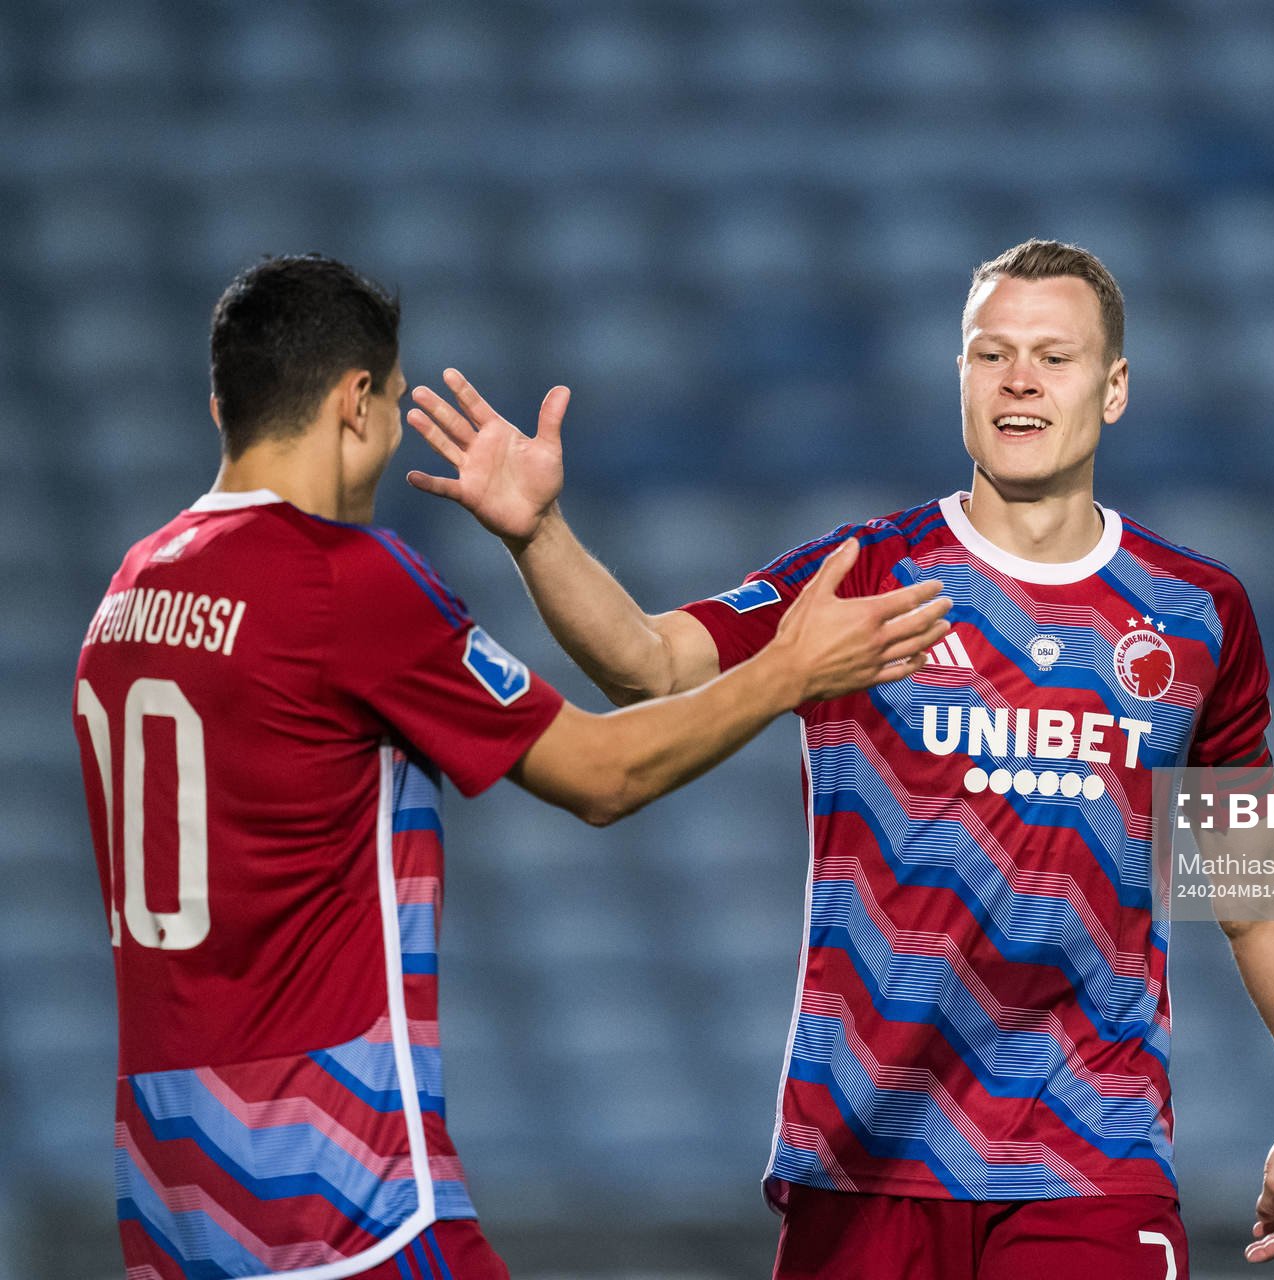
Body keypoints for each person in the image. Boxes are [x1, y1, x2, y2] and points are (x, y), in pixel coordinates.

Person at [407, 239, 1274, 1278]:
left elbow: (1255, 881)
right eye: (991, 355)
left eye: (1054, 355)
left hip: (1091, 1162)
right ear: (960, 378)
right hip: (863, 1163)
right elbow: (648, 662)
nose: (1020, 379)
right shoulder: (867, 573)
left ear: (1114, 387)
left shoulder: (1196, 610)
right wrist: (537, 532)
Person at [72, 254, 950, 1280]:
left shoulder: (127, 595)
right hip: (334, 1196)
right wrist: (792, 671)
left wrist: (539, 535)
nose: (395, 428)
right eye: (396, 402)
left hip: (167, 1189)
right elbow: (601, 773)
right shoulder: (342, 580)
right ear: (357, 400)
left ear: (225, 400)